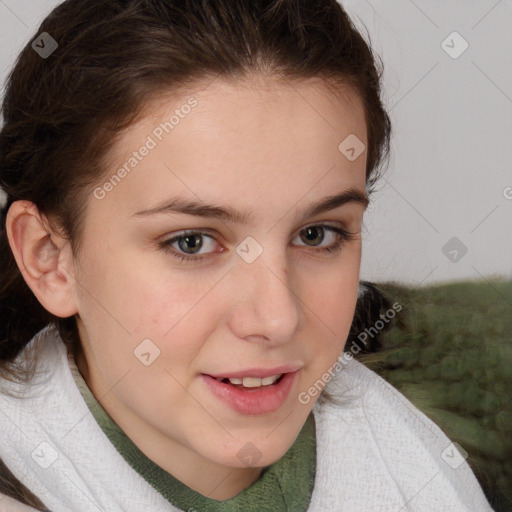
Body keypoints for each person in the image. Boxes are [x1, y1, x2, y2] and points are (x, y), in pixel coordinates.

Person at [0, 0, 495, 511]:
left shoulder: (417, 465)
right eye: (191, 242)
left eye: (317, 234)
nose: (277, 319)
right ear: (50, 259)